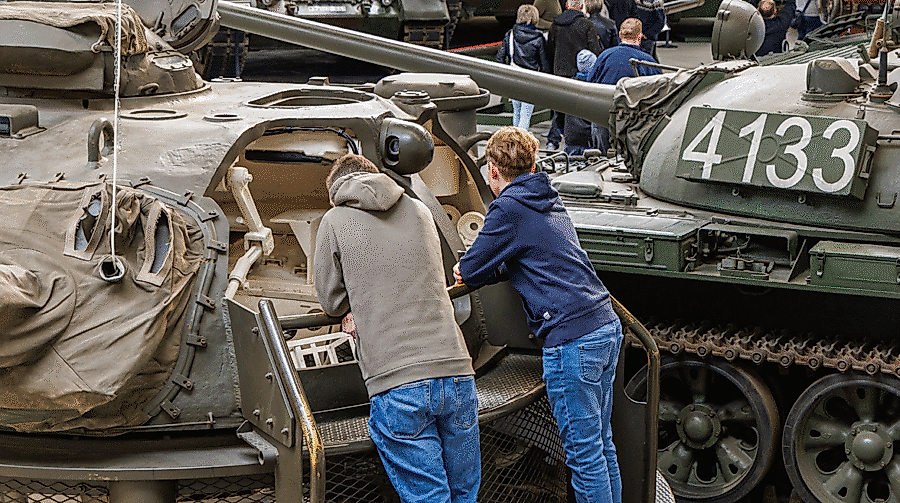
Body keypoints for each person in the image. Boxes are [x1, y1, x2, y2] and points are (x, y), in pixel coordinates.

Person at [452, 127, 624, 503]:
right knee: (601, 445)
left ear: (493, 172)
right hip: (604, 325)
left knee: (583, 456)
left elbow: (473, 269)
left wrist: (466, 269)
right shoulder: (546, 195)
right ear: (533, 163)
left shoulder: (508, 207)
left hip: (571, 341)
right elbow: (532, 254)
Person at [314, 154, 480, 503]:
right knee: (464, 494)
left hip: (397, 381)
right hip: (456, 370)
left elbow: (330, 300)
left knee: (428, 497)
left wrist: (355, 307)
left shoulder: (334, 219)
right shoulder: (421, 210)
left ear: (336, 192)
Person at [588, 18, 661, 153]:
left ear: (620, 35)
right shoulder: (649, 62)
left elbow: (590, 86)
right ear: (640, 36)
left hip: (603, 117)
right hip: (634, 124)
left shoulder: (605, 56)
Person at [547, 0, 601, 151]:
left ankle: (553, 140)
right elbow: (594, 49)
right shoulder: (586, 25)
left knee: (559, 108)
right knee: (578, 109)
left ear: (566, 5)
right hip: (579, 71)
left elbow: (550, 48)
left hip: (559, 71)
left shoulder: (555, 24)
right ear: (580, 6)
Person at [497, 4, 551, 130]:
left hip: (513, 76)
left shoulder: (510, 34)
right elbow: (544, 63)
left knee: (516, 111)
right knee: (526, 114)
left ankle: (515, 138)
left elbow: (500, 57)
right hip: (530, 79)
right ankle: (521, 139)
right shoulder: (539, 38)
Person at [563, 49, 598, 155]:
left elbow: (559, 111)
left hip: (571, 135)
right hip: (589, 136)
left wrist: (560, 129)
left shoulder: (568, 87)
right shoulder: (597, 88)